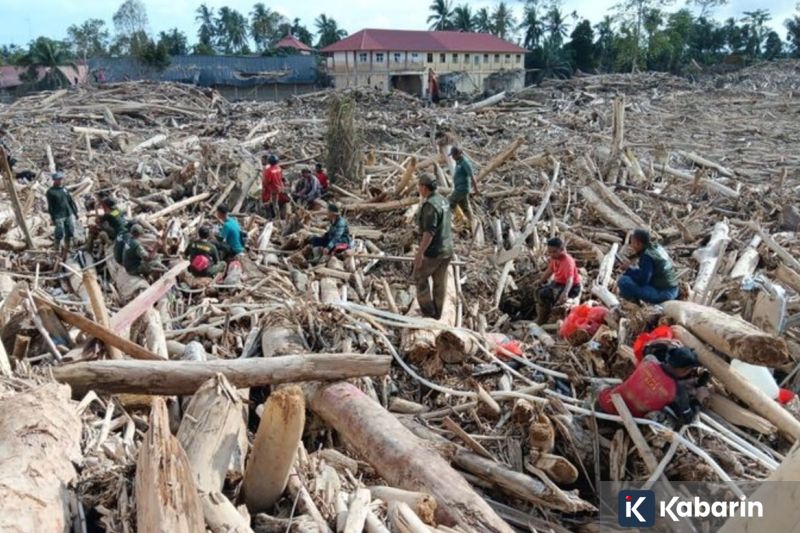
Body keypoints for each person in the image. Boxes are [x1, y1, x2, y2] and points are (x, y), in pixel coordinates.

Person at [597, 344, 710, 426]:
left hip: (604, 402)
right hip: (624, 422)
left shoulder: (649, 360)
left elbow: (649, 353)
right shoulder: (677, 393)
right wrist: (699, 399)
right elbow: (687, 419)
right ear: (686, 370)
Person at [413, 174, 453, 319]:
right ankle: (438, 313)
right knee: (439, 282)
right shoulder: (443, 200)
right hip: (447, 249)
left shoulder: (430, 205)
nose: (419, 189)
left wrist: (420, 253)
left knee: (419, 277)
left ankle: (428, 312)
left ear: (424, 187)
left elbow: (429, 232)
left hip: (434, 251)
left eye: (419, 186)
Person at [618, 229, 679, 304]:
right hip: (673, 289)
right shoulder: (656, 247)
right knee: (634, 272)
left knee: (623, 281)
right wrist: (631, 269)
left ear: (639, 244)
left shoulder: (646, 256)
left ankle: (631, 303)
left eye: (632, 243)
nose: (631, 245)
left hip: (664, 294)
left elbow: (642, 280)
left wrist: (628, 270)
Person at [534, 237, 582, 324]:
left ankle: (545, 319)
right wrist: (540, 281)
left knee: (546, 295)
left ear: (562, 249)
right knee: (538, 291)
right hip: (558, 283)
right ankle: (542, 316)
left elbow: (570, 279)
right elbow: (550, 270)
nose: (552, 254)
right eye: (550, 252)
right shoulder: (554, 258)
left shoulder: (568, 261)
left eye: (554, 252)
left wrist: (565, 292)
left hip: (571, 287)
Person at [46, 172, 79, 261]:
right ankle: (56, 249)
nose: (60, 181)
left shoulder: (64, 189)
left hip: (68, 213)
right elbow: (50, 206)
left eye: (61, 179)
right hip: (58, 215)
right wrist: (53, 217)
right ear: (54, 180)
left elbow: (71, 201)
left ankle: (68, 248)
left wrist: (75, 212)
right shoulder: (50, 192)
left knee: (70, 231)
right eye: (58, 179)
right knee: (59, 232)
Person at [449, 146, 479, 226]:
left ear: (458, 154)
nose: (452, 157)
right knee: (464, 207)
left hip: (462, 189)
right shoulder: (458, 162)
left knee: (450, 202)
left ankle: (450, 221)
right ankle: (470, 223)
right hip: (460, 188)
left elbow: (472, 177)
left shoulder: (465, 163)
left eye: (453, 155)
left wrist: (476, 190)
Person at [262, 154, 286, 220]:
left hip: (272, 189)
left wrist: (264, 188)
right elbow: (281, 178)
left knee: (269, 202)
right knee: (275, 202)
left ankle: (274, 217)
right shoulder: (278, 168)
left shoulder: (269, 170)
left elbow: (267, 181)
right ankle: (276, 216)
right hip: (279, 188)